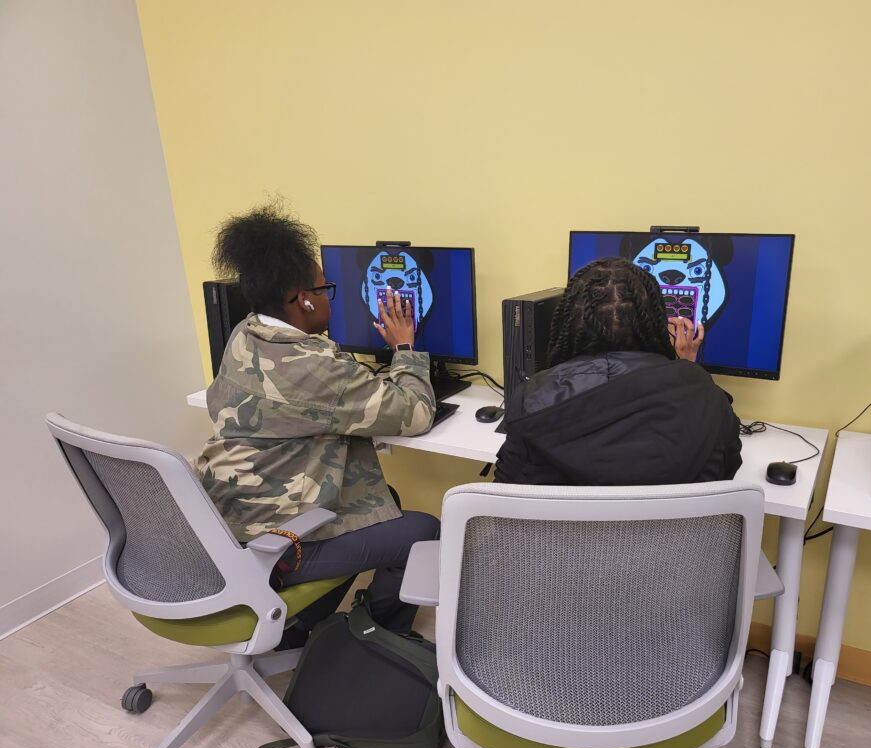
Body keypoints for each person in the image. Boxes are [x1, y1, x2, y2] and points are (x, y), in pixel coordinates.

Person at [195, 201, 438, 644]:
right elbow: (416, 413)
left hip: (228, 518)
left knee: (383, 501)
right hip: (275, 540)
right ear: (303, 299)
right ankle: (381, 637)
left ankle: (303, 625)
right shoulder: (314, 365)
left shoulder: (246, 333)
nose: (328, 295)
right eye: (324, 287)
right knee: (425, 531)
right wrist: (405, 348)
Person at [494, 258, 742, 485]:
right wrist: (687, 371)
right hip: (675, 534)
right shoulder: (708, 401)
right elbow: (724, 476)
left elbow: (506, 490)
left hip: (561, 534)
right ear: (655, 321)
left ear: (568, 324)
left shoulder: (532, 401)